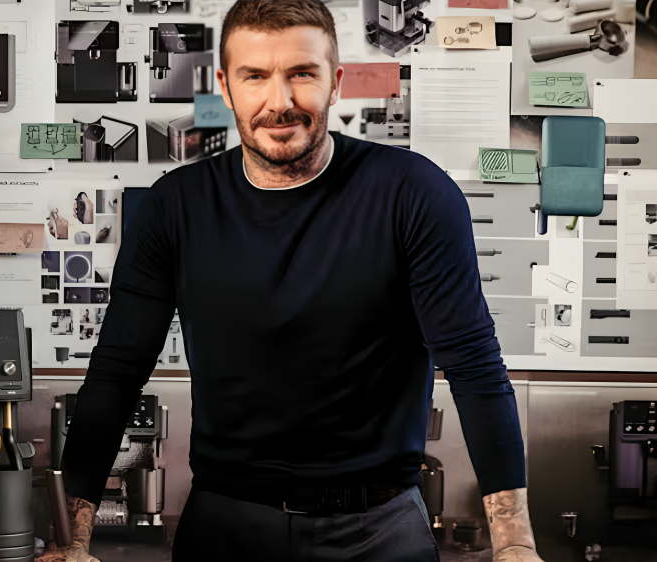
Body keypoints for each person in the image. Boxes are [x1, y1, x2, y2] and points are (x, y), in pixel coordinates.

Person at [36, 1, 543, 561]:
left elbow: (474, 365)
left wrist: (514, 545)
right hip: (225, 526)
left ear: (335, 84)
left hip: (379, 529)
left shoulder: (414, 193)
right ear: (227, 88)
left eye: (302, 74)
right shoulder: (174, 207)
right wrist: (73, 543)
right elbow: (117, 372)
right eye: (256, 76)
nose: (280, 102)